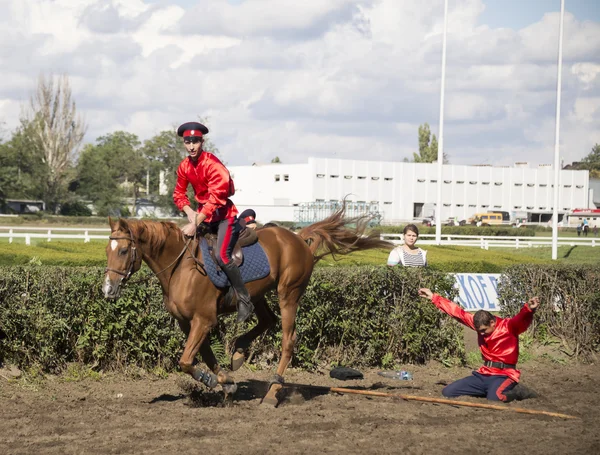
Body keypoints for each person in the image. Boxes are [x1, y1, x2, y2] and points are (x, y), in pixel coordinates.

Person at [172, 121, 254, 322]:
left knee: (222, 254)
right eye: (187, 142)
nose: (191, 146)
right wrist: (189, 212)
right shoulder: (184, 166)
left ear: (202, 141)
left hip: (223, 217)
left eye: (195, 141)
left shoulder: (214, 165)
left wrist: (195, 222)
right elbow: (178, 194)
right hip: (203, 217)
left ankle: (244, 300)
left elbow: (216, 199)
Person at [418, 288, 540, 402]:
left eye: (483, 330)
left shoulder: (509, 326)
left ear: (492, 322)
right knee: (448, 392)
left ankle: (517, 391)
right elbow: (457, 312)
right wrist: (433, 297)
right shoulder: (479, 325)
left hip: (504, 374)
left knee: (496, 398)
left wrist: (529, 309)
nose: (481, 333)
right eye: (479, 331)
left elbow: (521, 319)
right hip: (484, 373)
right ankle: (489, 390)